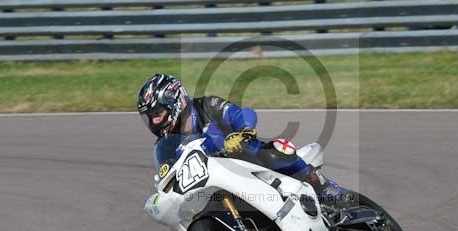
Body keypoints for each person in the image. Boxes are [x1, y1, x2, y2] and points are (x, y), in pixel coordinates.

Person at [136, 73, 351, 204]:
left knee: (277, 150)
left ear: (175, 102)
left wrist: (244, 131)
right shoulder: (164, 147)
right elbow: (165, 178)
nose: (154, 122)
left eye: (157, 114)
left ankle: (321, 186)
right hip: (216, 187)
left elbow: (241, 113)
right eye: (149, 118)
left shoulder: (207, 106)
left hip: (248, 158)